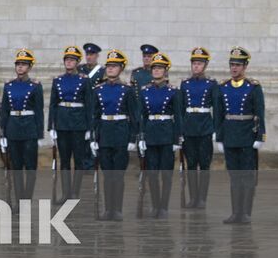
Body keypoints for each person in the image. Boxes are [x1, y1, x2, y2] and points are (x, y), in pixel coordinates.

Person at [216, 47, 264, 225]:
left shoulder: (253, 87)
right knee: (234, 176)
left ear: (245, 67)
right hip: (230, 136)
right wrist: (219, 137)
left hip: (246, 137)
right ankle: (235, 212)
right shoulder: (223, 87)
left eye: (238, 65)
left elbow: (260, 113)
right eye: (232, 65)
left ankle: (246, 213)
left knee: (247, 177)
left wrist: (260, 136)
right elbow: (219, 115)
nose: (234, 68)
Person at [90, 50, 137, 220]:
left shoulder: (127, 90)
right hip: (104, 134)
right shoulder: (98, 90)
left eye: (114, 66)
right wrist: (94, 138)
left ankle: (117, 209)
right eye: (108, 66)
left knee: (118, 175)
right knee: (107, 175)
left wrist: (132, 138)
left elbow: (134, 116)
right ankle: (107, 209)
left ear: (121, 69)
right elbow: (94, 116)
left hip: (120, 134)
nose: (110, 69)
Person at [137, 52, 181, 218]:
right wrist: (141, 136)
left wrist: (177, 138)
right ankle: (155, 205)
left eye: (159, 68)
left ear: (165, 71)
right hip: (150, 134)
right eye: (154, 68)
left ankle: (163, 206)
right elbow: (141, 115)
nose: (156, 71)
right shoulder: (145, 91)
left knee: (166, 174)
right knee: (152, 173)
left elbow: (178, 117)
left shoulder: (173, 91)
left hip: (167, 134)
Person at [0, 49, 45, 203]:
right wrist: (3, 133)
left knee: (30, 167)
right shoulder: (8, 86)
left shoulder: (35, 86)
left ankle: (27, 198)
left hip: (29, 129)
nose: (20, 67)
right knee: (16, 167)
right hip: (13, 129)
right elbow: (4, 110)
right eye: (18, 64)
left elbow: (39, 111)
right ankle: (19, 199)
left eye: (23, 64)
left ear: (29, 67)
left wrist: (39, 134)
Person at [48, 46, 93, 202]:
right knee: (64, 160)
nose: (69, 62)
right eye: (67, 59)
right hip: (62, 123)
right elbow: (53, 105)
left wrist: (89, 127)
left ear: (77, 62)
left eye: (72, 60)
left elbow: (89, 104)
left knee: (79, 159)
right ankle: (66, 192)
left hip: (78, 123)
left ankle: (75, 192)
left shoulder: (84, 80)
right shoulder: (58, 80)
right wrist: (51, 126)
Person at [179, 46, 219, 209]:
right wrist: (180, 130)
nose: (196, 66)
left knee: (204, 164)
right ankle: (193, 198)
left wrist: (216, 129)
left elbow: (216, 107)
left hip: (204, 127)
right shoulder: (185, 84)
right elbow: (181, 109)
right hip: (189, 127)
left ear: (205, 66)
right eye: (194, 63)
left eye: (199, 64)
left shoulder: (211, 84)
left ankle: (202, 198)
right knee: (191, 164)